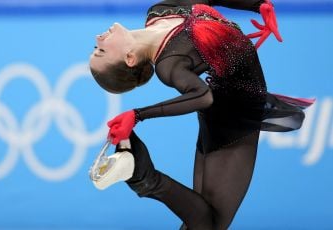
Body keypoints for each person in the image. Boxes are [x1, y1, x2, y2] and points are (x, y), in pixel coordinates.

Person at [89, 0, 314, 229]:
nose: (98, 39)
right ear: (130, 58)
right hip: (233, 121)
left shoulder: (158, 12)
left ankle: (143, 175)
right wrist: (139, 115)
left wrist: (257, 5)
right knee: (210, 225)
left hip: (223, 111)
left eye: (95, 48)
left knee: (204, 223)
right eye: (102, 51)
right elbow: (202, 96)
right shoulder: (169, 65)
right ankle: (145, 177)